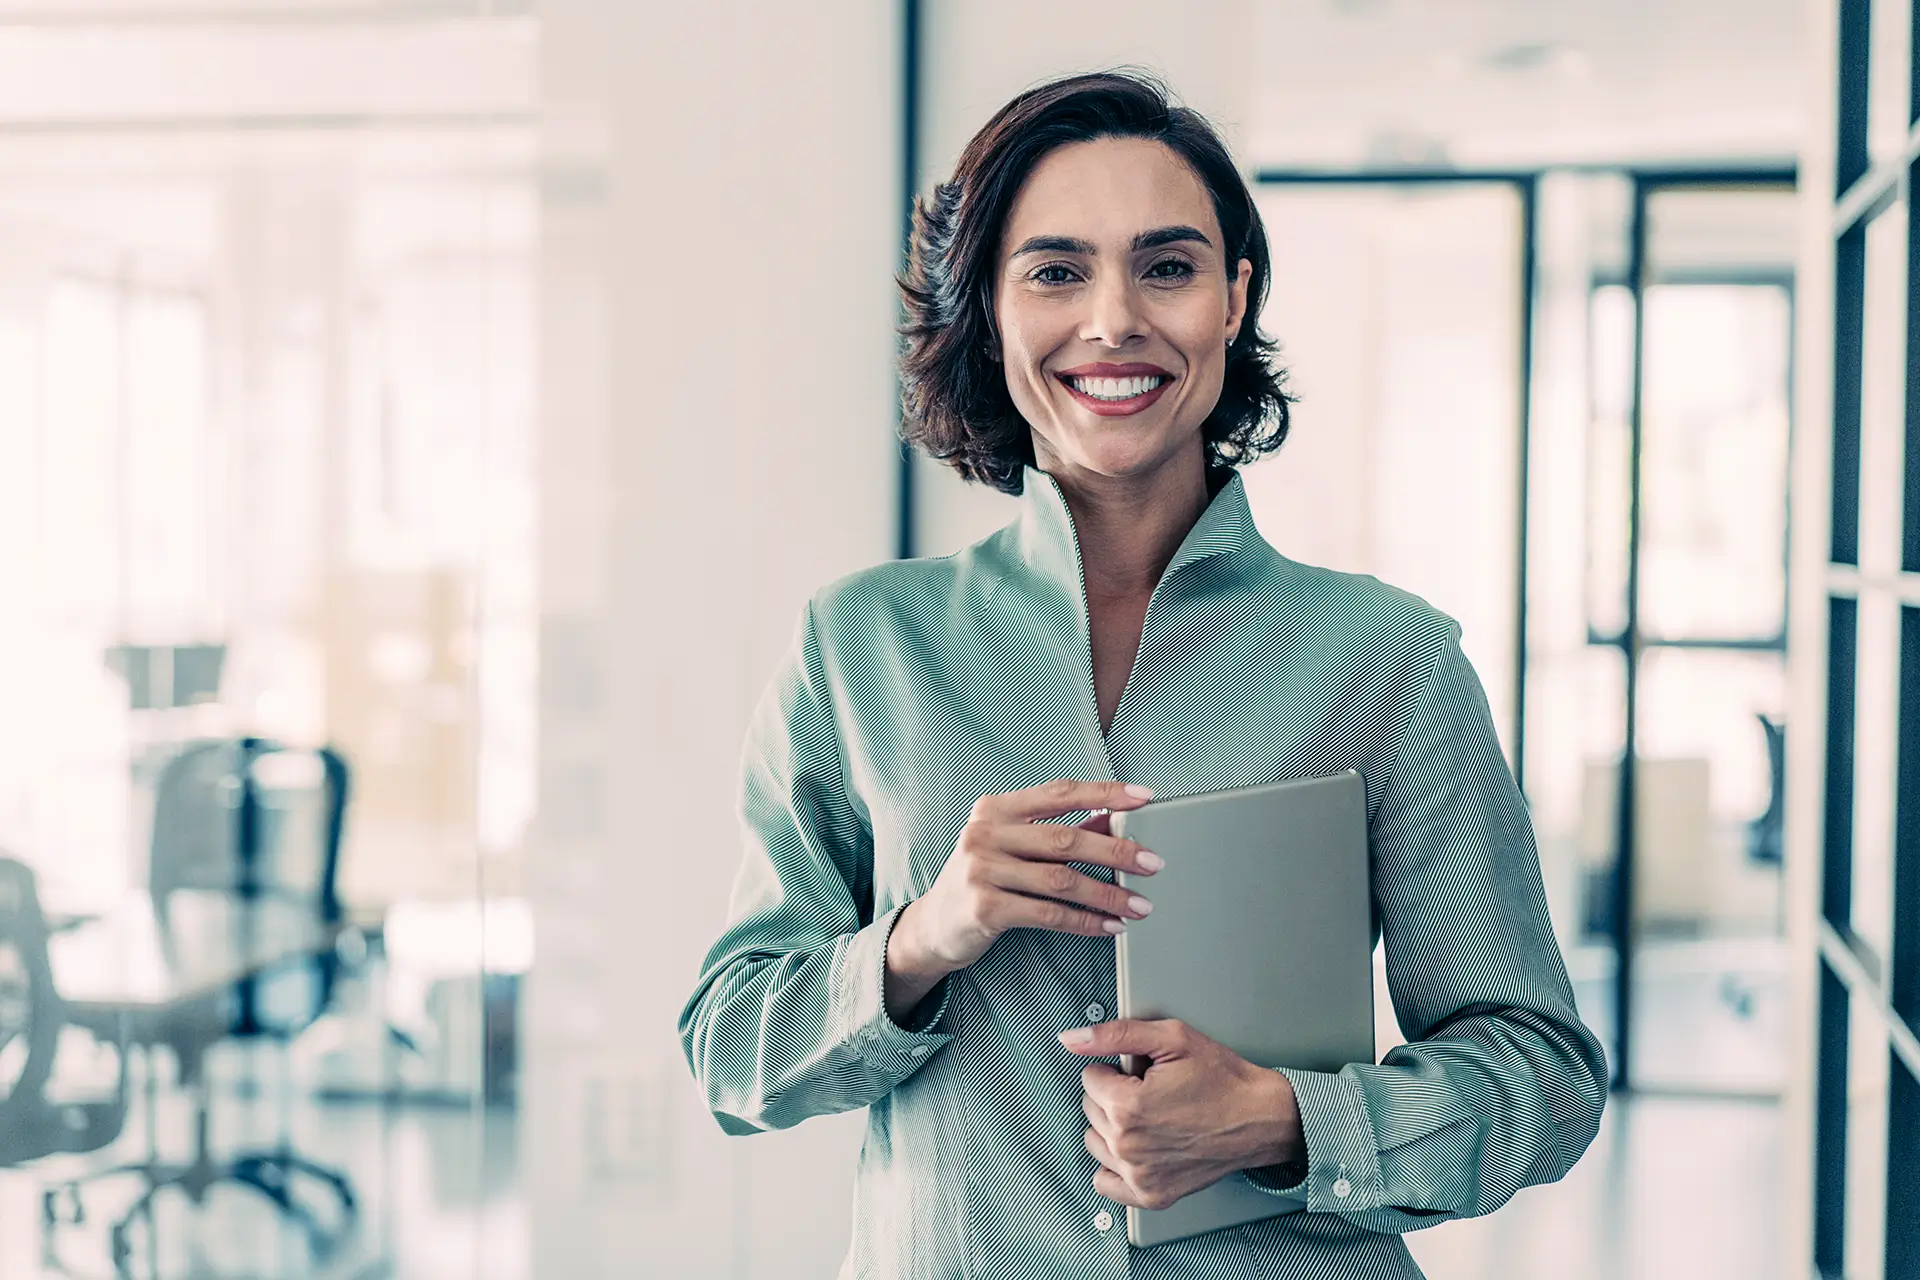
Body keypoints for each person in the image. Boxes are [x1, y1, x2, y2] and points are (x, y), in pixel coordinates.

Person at [678, 69, 1606, 1279]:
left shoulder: (1391, 660)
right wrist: (921, 935)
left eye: (1166, 265)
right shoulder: (859, 647)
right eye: (1055, 271)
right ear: (991, 312)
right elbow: (731, 1051)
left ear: (1235, 299)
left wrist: (1285, 1117)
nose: (1113, 318)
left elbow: (1542, 1071)